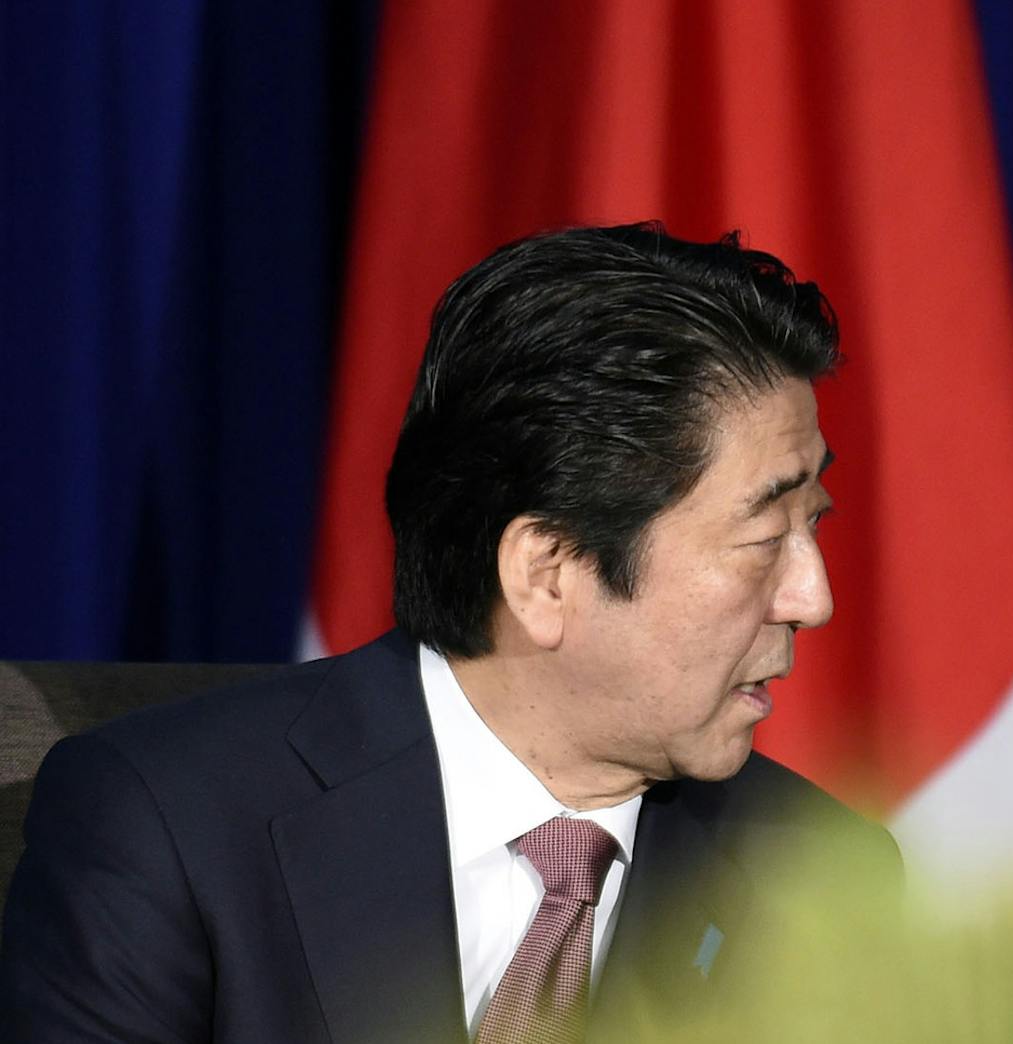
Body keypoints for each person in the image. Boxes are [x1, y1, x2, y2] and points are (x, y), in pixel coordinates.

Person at [0, 224, 896, 1043]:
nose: (810, 598)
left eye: (812, 524)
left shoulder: (819, 875)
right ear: (546, 572)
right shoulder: (168, 825)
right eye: (760, 540)